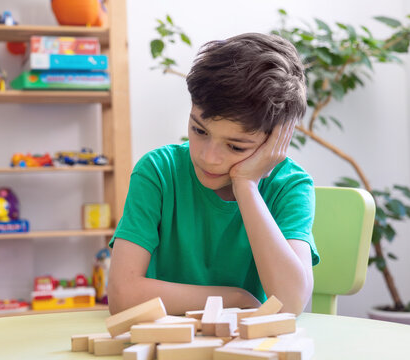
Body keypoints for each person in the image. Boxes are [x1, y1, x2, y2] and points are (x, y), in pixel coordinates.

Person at [108, 33, 320, 316]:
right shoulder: (158, 172)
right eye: (199, 130)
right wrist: (234, 298)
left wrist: (246, 184)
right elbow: (122, 295)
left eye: (235, 146)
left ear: (276, 141)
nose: (208, 157)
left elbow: (290, 303)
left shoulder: (290, 186)